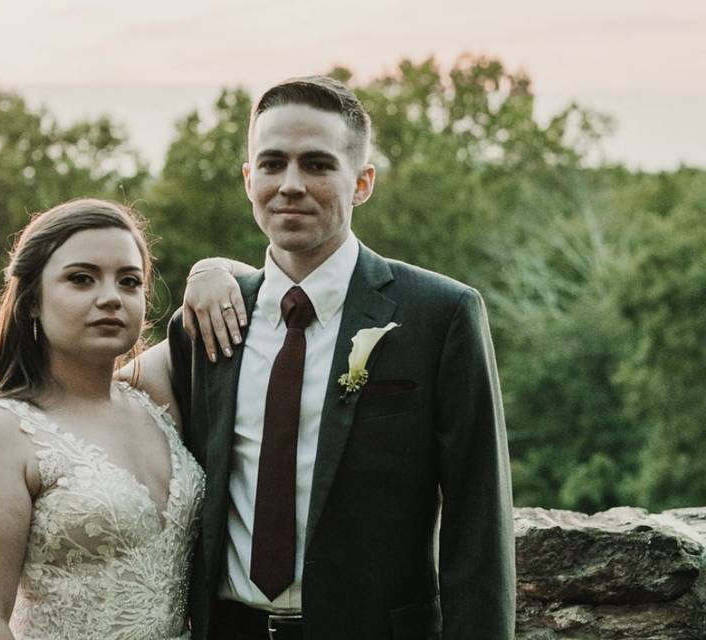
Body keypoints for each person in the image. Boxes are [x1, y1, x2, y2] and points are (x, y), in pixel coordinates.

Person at [164, 77, 516, 639]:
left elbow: (479, 524)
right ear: (248, 179)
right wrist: (208, 268)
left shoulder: (440, 315)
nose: (291, 185)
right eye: (273, 164)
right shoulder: (204, 326)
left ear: (362, 183)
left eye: (318, 165)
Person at [0, 198, 239, 640]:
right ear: (32, 301)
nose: (111, 297)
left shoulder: (152, 391)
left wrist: (209, 270)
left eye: (129, 281)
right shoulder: (3, 431)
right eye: (82, 279)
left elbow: (274, 277)